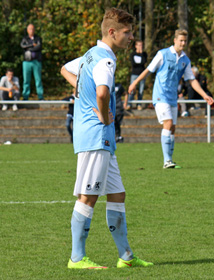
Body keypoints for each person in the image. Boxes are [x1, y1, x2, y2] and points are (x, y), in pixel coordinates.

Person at [60, 7, 153, 270]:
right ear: (112, 32)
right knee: (87, 197)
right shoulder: (106, 60)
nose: (131, 37)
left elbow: (65, 70)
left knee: (117, 195)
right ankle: (77, 258)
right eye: (127, 32)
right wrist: (103, 115)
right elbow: (102, 93)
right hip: (96, 136)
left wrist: (80, 92)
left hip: (102, 141)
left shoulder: (90, 54)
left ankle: (126, 256)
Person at [129, 29, 214, 169]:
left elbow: (191, 80)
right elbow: (148, 70)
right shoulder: (162, 54)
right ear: (174, 40)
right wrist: (135, 83)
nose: (183, 43)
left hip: (172, 97)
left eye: (185, 41)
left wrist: (205, 95)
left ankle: (170, 159)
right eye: (180, 40)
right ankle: (166, 161)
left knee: (172, 128)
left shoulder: (185, 60)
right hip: (160, 95)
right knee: (167, 124)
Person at [20, 23, 44, 100]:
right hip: (27, 62)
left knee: (38, 80)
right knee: (26, 80)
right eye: (30, 29)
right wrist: (32, 45)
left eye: (33, 29)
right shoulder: (25, 38)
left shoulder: (38, 38)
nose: (31, 30)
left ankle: (40, 97)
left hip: (36, 62)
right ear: (27, 30)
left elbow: (39, 47)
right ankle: (25, 96)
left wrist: (29, 48)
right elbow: (22, 46)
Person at [129, 40, 147, 110]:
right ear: (136, 46)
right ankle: (129, 104)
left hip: (142, 74)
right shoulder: (133, 54)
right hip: (134, 74)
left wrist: (141, 53)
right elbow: (134, 64)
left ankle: (139, 104)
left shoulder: (144, 54)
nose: (140, 47)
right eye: (139, 45)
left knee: (141, 90)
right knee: (132, 89)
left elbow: (144, 62)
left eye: (141, 45)